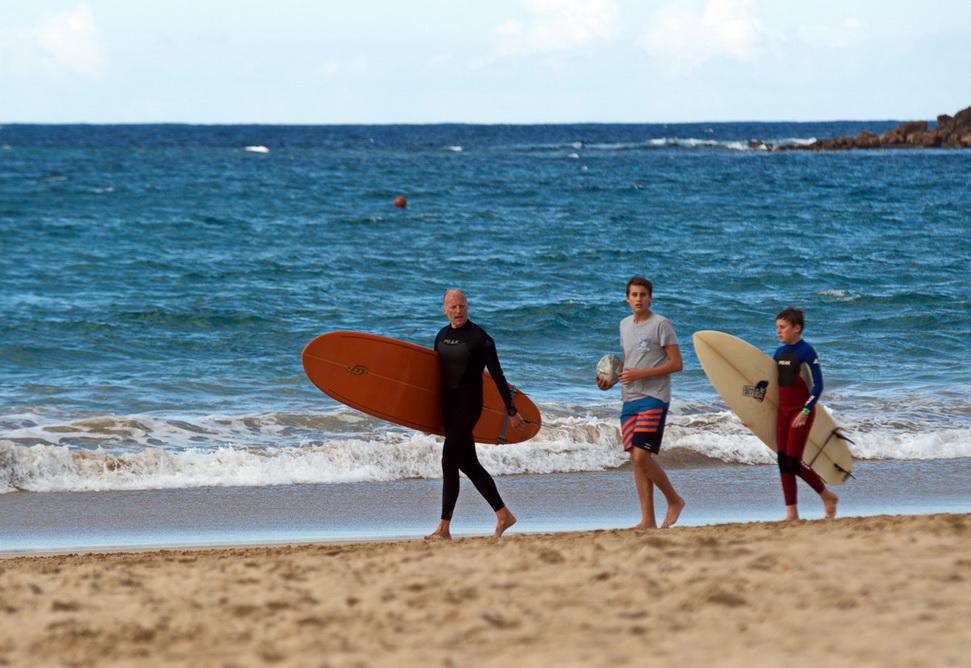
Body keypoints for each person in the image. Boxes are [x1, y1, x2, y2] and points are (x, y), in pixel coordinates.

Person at [425, 289, 525, 540]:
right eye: (453, 307)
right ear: (444, 309)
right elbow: (432, 379)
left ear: (467, 308)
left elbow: (498, 378)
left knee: (449, 460)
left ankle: (444, 528)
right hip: (448, 407)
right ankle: (504, 515)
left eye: (462, 306)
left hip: (469, 406)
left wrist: (511, 412)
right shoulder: (441, 335)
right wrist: (424, 417)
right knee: (467, 463)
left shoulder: (481, 339)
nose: (458, 311)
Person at [597, 276, 686, 529]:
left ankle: (675, 500)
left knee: (640, 458)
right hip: (629, 400)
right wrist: (611, 381)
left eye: (643, 295)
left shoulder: (661, 325)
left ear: (650, 298)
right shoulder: (624, 325)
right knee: (636, 458)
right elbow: (627, 362)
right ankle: (648, 520)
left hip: (654, 398)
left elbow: (676, 364)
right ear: (627, 298)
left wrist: (640, 374)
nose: (638, 299)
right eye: (634, 295)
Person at [773, 307, 839, 521]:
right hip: (782, 413)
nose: (778, 332)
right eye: (777, 328)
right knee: (782, 460)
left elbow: (818, 385)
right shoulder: (778, 353)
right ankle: (791, 513)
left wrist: (805, 410)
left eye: (783, 327)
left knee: (794, 461)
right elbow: (770, 388)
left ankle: (827, 496)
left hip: (800, 412)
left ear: (797, 328)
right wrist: (752, 415)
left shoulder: (806, 352)